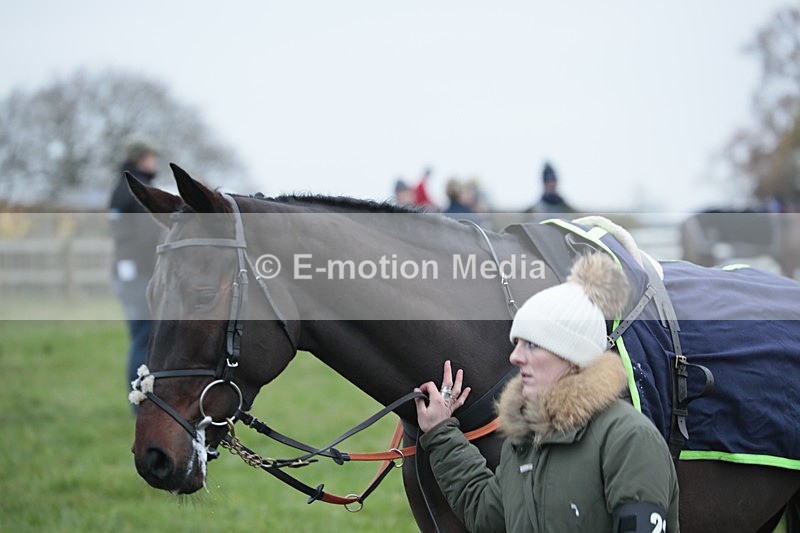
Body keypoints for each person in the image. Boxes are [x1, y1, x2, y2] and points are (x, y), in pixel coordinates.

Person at [414, 253, 679, 532]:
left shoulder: (628, 438)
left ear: (571, 354)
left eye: (531, 345)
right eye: (517, 344)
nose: (515, 357)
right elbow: (486, 516)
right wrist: (441, 431)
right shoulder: (526, 441)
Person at [108, 134, 164, 410]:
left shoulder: (120, 188)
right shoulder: (138, 190)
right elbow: (147, 239)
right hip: (140, 275)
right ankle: (141, 402)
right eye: (152, 156)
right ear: (143, 158)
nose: (155, 161)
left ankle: (140, 399)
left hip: (125, 274)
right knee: (145, 337)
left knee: (140, 336)